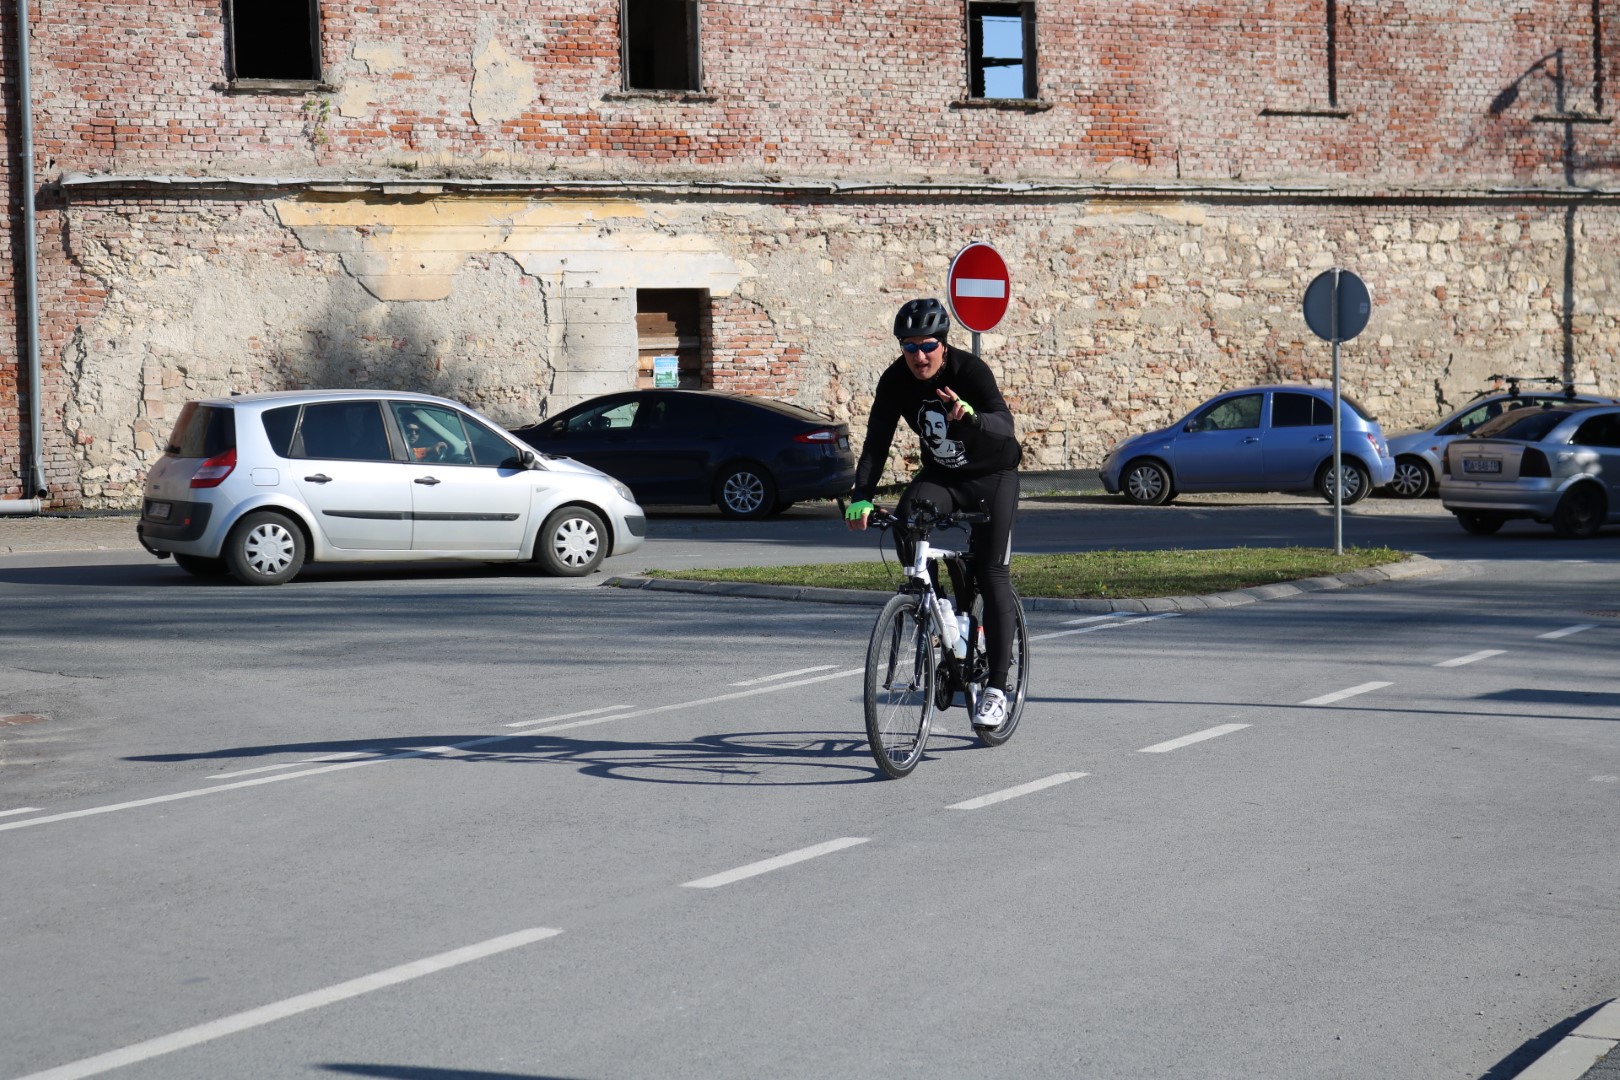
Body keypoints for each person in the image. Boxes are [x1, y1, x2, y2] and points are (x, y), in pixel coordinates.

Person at [845, 297, 1022, 728]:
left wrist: (972, 416)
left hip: (993, 477)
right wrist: (861, 495)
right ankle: (940, 610)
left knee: (991, 571)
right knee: (907, 519)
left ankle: (997, 687)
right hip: (942, 476)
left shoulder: (969, 372)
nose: (919, 356)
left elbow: (1005, 423)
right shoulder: (895, 381)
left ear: (943, 343)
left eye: (926, 345)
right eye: (909, 347)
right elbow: (876, 441)